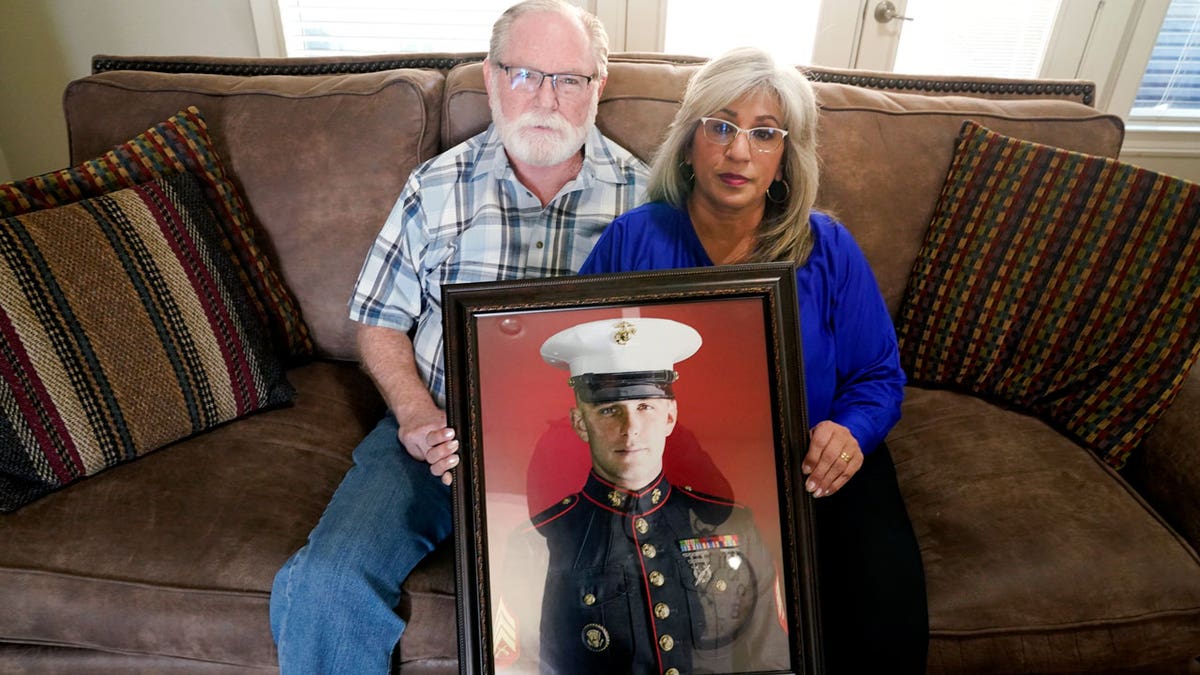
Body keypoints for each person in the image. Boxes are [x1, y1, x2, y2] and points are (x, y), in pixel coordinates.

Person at [268, 2, 650, 672]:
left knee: (584, 616)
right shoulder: (435, 186)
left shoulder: (645, 202)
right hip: (436, 436)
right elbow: (380, 317)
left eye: (567, 79)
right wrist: (415, 414)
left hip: (580, 451)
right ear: (491, 75)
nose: (545, 98)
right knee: (325, 583)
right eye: (526, 74)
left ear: (600, 85)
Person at [577, 47, 929, 672]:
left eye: (764, 134)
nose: (739, 151)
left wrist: (850, 431)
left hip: (813, 467)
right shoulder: (633, 239)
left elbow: (877, 377)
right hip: (677, 478)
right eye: (721, 126)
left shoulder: (829, 248)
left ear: (785, 159)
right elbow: (585, 359)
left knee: (880, 616)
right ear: (689, 144)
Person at [497, 317, 789, 675]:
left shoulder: (733, 524)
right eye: (608, 411)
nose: (630, 428)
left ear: (670, 416)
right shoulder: (538, 545)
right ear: (579, 423)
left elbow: (770, 661)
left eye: (645, 408)